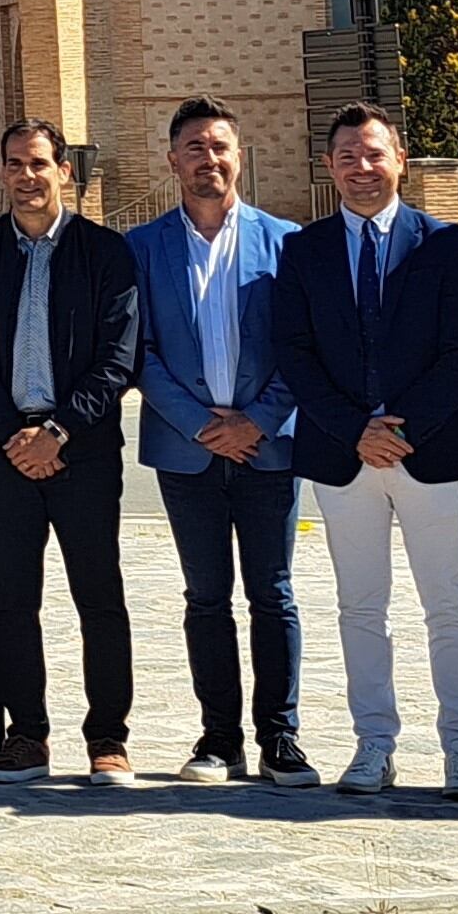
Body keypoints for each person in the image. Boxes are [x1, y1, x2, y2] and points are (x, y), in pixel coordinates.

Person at [265, 102, 458, 801]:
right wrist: (353, 429)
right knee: (361, 606)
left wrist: (401, 427)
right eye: (347, 156)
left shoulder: (444, 245)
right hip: (343, 456)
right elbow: (294, 353)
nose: (361, 168)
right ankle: (374, 743)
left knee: (448, 603)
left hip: (429, 450)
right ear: (328, 166)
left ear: (400, 160)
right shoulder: (304, 249)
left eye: (373, 154)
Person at [0, 119, 140, 786]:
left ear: (64, 171)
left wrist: (58, 431)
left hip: (82, 451)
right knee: (12, 601)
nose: (27, 176)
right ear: (2, 172)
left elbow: (118, 359)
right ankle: (27, 734)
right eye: (15, 164)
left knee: (99, 596)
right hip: (2, 452)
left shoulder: (104, 252)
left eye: (40, 163)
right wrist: (13, 434)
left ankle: (108, 736)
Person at [129, 98, 310, 787]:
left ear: (240, 156)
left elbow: (302, 347)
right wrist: (203, 425)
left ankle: (280, 737)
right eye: (195, 148)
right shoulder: (142, 248)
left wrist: (255, 420)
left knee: (273, 593)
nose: (209, 159)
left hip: (269, 448)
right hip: (187, 451)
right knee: (206, 596)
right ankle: (219, 738)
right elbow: (138, 350)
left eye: (220, 146)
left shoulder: (285, 242)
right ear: (173, 160)